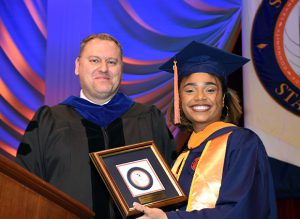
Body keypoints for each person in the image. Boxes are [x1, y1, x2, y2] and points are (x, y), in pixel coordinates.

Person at [15, 33, 176, 219]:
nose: (104, 68)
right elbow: (25, 189)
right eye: (94, 60)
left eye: (112, 62)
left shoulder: (148, 119)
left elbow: (173, 187)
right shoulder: (49, 122)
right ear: (77, 66)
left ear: (121, 69)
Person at [133, 41, 277, 218]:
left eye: (210, 90)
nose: (200, 97)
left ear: (223, 99)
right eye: (190, 90)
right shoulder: (183, 157)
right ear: (179, 99)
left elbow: (242, 211)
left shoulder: (241, 143)